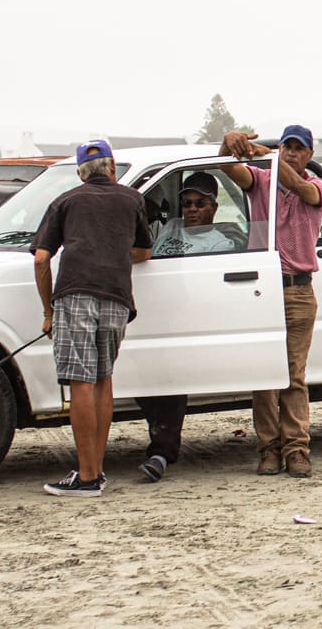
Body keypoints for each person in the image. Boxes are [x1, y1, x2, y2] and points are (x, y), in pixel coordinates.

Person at [32, 140, 153, 497]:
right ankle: (95, 472)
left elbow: (41, 258)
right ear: (112, 168)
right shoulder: (132, 199)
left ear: (80, 173)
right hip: (117, 297)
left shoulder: (66, 201)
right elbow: (144, 251)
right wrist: (112, 254)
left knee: (80, 381)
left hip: (76, 294)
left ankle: (86, 477)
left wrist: (47, 311)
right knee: (103, 377)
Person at [221, 125, 322, 478]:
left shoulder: (317, 187)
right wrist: (230, 142)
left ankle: (297, 449)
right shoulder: (260, 180)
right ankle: (269, 449)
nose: (292, 153)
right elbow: (226, 166)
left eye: (300, 148)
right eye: (287, 147)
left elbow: (301, 188)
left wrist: (265, 155)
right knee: (265, 375)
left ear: (310, 155)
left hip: (298, 290)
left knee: (293, 376)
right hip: (263, 289)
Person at [136, 171, 235, 482]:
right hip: (152, 313)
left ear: (214, 208)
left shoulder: (220, 243)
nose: (192, 209)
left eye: (200, 203)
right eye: (187, 203)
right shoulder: (171, 227)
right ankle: (160, 438)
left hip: (184, 319)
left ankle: (162, 450)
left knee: (169, 384)